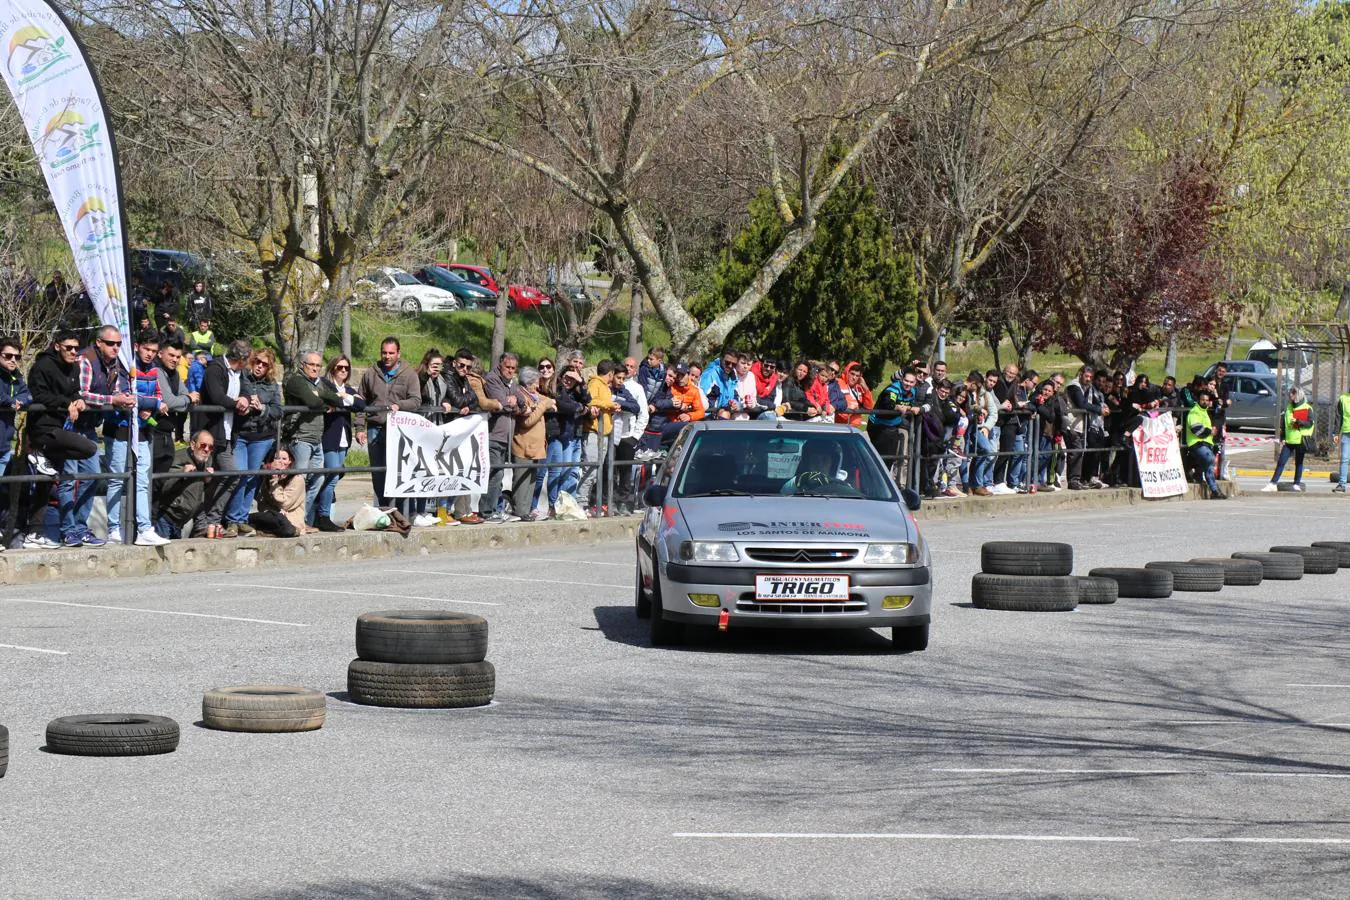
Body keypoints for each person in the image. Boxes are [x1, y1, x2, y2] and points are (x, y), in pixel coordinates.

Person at [19, 331, 99, 549]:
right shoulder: (42, 366)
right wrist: (67, 404)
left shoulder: (73, 366)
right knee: (89, 447)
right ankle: (39, 451)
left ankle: (34, 533)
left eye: (76, 347)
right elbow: (38, 395)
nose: (74, 352)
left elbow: (74, 391)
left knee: (47, 483)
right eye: (68, 348)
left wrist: (79, 401)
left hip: (61, 427)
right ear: (57, 346)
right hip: (45, 429)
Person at [61, 325, 134, 547]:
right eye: (111, 343)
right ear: (99, 342)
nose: (115, 348)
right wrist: (113, 401)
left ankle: (81, 528)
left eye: (119, 344)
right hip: (70, 426)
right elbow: (82, 394)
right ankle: (68, 530)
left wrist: (124, 397)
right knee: (68, 480)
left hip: (90, 428)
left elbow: (115, 392)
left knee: (92, 477)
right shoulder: (86, 359)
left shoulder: (115, 363)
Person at [113, 329, 169, 546]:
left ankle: (144, 529)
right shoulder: (127, 366)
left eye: (154, 351)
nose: (150, 354)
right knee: (117, 479)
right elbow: (127, 396)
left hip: (144, 430)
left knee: (143, 480)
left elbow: (157, 394)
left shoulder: (154, 370)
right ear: (137, 346)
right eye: (147, 349)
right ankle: (113, 529)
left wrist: (150, 406)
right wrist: (152, 405)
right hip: (122, 427)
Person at [194, 340, 251, 537]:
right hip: (209, 433)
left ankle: (214, 519)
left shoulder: (239, 373)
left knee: (231, 474)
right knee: (203, 479)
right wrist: (239, 404)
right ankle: (201, 524)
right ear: (241, 359)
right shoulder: (215, 369)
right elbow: (217, 396)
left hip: (227, 434)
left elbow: (245, 391)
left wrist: (245, 399)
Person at [224, 347, 283, 537]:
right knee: (240, 475)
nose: (259, 366)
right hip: (241, 433)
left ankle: (242, 519)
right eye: (257, 361)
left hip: (262, 436)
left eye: (264, 364)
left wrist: (262, 408)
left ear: (269, 367)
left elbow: (278, 411)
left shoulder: (273, 385)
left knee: (251, 478)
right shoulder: (242, 378)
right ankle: (232, 520)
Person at [358, 337, 422, 510]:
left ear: (398, 353)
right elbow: (360, 401)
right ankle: (381, 511)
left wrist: (399, 405)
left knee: (398, 473)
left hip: (399, 432)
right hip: (374, 428)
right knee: (378, 473)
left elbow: (416, 401)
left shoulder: (409, 374)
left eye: (391, 353)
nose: (387, 356)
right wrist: (359, 427)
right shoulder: (371, 373)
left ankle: (399, 512)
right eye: (384, 352)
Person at [315, 355, 365, 531]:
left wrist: (345, 397)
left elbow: (361, 405)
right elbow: (328, 399)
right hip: (329, 438)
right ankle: (323, 515)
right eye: (339, 367)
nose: (343, 370)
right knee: (332, 476)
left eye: (346, 368)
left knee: (334, 476)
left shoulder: (348, 389)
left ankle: (321, 512)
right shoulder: (324, 384)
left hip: (344, 439)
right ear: (332, 368)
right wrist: (344, 399)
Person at [478, 352, 528, 523]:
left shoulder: (512, 382)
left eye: (513, 368)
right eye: (508, 367)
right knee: (495, 475)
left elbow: (522, 402)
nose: (510, 371)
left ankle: (495, 509)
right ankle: (486, 511)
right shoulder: (492, 379)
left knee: (499, 476)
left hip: (506, 437)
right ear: (500, 365)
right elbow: (500, 402)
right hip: (493, 435)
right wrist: (511, 403)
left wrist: (513, 402)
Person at [154, 430, 226, 539]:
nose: (206, 450)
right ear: (193, 445)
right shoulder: (179, 458)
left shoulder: (207, 461)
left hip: (181, 522)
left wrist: (208, 480)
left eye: (210, 447)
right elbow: (164, 486)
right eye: (203, 445)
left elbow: (202, 492)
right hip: (165, 518)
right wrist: (181, 473)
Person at [539, 364, 589, 515]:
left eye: (572, 379)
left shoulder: (576, 390)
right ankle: (553, 505)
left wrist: (580, 382)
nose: (569, 381)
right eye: (567, 377)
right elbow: (565, 406)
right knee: (556, 472)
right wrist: (580, 407)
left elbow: (588, 399)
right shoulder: (556, 388)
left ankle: (562, 503)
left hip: (570, 435)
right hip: (556, 435)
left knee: (567, 472)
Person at [579, 359, 623, 514]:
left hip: (603, 433)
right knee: (590, 469)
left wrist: (611, 408)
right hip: (593, 433)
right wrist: (609, 404)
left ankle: (587, 502)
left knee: (596, 472)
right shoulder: (595, 384)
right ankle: (581, 503)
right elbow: (591, 401)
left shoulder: (605, 386)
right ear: (610, 374)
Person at [152, 337, 190, 517]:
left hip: (168, 432)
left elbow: (181, 395)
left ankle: (153, 520)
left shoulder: (174, 374)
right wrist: (187, 400)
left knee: (161, 479)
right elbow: (171, 401)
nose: (174, 360)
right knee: (152, 480)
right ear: (160, 354)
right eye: (171, 355)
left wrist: (183, 400)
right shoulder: (156, 370)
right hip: (154, 432)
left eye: (178, 357)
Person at [510, 366, 553, 520]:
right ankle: (520, 511)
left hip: (535, 447)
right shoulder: (522, 396)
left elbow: (547, 400)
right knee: (522, 480)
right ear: (528, 383)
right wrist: (543, 406)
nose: (537, 385)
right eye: (535, 382)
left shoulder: (534, 395)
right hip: (524, 445)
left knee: (531, 481)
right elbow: (527, 421)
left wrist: (547, 402)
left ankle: (526, 510)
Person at [640, 361, 704, 452]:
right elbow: (660, 401)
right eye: (677, 375)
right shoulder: (670, 385)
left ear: (688, 375)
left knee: (692, 427)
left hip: (676, 425)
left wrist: (689, 416)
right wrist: (675, 405)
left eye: (682, 375)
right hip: (665, 423)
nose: (679, 378)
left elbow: (701, 412)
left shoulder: (694, 391)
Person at [612, 360, 648, 515]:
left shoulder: (637, 388)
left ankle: (624, 502)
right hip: (611, 434)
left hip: (628, 435)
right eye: (625, 365)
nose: (627, 369)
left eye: (631, 367)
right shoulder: (611, 385)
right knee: (610, 469)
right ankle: (610, 501)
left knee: (626, 470)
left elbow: (643, 412)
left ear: (635, 370)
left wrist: (636, 435)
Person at [250, 445, 310, 537]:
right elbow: (262, 504)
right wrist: (273, 511)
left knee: (281, 523)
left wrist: (275, 483)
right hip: (273, 516)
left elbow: (284, 504)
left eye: (284, 459)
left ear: (290, 461)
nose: (280, 462)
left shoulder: (297, 479)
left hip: (290, 521)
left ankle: (267, 530)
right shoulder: (268, 477)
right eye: (276, 459)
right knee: (249, 518)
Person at [868, 369, 920, 475]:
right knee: (880, 458)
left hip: (893, 426)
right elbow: (888, 404)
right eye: (906, 381)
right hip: (878, 425)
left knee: (890, 458)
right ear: (901, 380)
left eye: (911, 382)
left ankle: (884, 482)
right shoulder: (893, 389)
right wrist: (896, 407)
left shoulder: (913, 391)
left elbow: (913, 404)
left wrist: (911, 407)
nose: (908, 384)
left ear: (915, 383)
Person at [1263, 386, 1315, 492]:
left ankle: (1296, 483)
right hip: (1289, 440)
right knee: (1281, 462)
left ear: (1299, 395)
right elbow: (1284, 424)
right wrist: (1282, 437)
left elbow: (1310, 423)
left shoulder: (1307, 408)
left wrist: (1298, 422)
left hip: (1300, 440)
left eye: (1293, 393)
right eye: (1290, 393)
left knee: (1299, 463)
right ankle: (1273, 483)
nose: (1291, 395)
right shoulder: (1289, 408)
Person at [1184, 391, 1227, 500]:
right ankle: (1190, 467)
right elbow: (1196, 430)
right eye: (1203, 399)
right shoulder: (1194, 412)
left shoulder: (1205, 412)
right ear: (1198, 400)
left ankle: (1214, 491)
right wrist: (1210, 432)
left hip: (1206, 445)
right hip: (1196, 444)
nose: (1205, 402)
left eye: (1207, 400)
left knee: (1209, 467)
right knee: (1210, 459)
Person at [0, 335, 31, 475]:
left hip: (4, 445)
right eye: (8, 355)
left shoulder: (17, 377)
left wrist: (20, 402)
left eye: (17, 357)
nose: (13, 359)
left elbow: (28, 395)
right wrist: (13, 402)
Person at [829, 362, 873, 427]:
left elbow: (869, 407)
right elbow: (834, 404)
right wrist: (850, 408)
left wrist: (865, 387)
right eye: (852, 374)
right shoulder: (838, 383)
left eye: (857, 376)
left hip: (855, 428)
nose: (854, 378)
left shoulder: (860, 388)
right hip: (840, 426)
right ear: (847, 372)